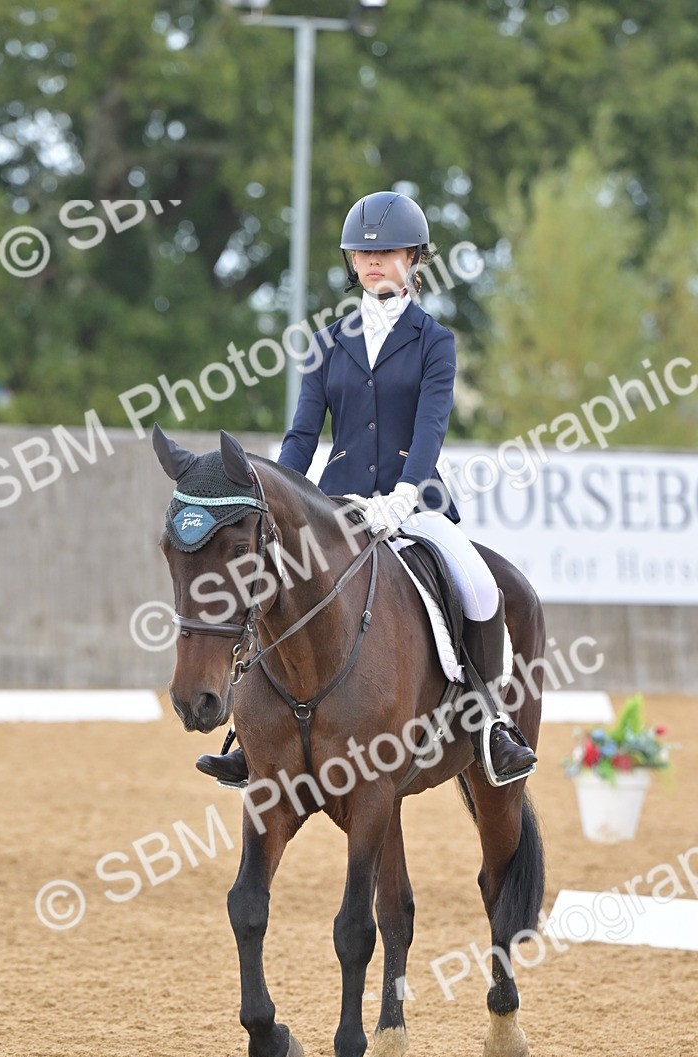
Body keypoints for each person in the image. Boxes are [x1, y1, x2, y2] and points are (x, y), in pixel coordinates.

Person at [197, 190, 536, 788]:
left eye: (388, 252)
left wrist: (405, 497)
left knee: (481, 591)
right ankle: (246, 738)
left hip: (417, 503)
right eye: (362, 253)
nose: (373, 262)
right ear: (351, 261)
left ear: (415, 258)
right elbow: (303, 434)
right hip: (338, 506)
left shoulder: (435, 342)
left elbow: (431, 427)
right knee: (273, 589)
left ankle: (490, 725)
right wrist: (275, 495)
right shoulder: (327, 342)